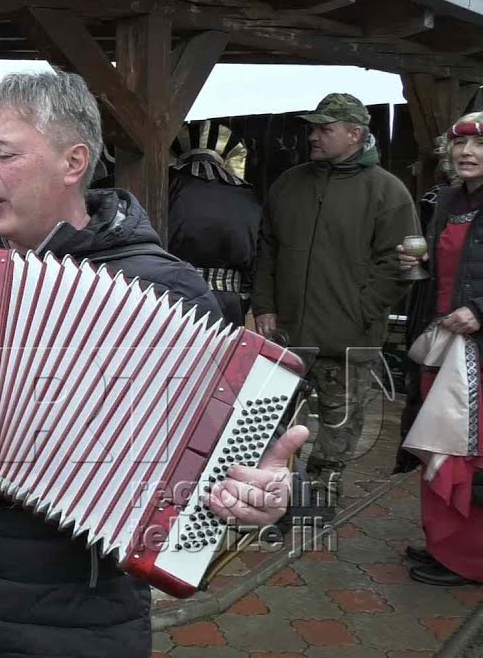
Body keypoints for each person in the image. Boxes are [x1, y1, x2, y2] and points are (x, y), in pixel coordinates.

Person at [0, 70, 308, 658]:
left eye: (4, 153)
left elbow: (233, 458)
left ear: (73, 162)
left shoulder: (164, 287)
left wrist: (262, 494)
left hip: (78, 624)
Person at [252, 93, 417, 497]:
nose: (313, 136)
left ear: (355, 134)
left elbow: (408, 263)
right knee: (264, 422)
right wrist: (265, 305)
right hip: (287, 336)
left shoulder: (389, 193)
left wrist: (360, 311)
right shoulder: (289, 184)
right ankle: (263, 496)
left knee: (338, 429)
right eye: (313, 128)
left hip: (347, 342)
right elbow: (266, 248)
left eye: (325, 129)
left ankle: (318, 503)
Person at [397, 111, 483, 587]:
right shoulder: (449, 200)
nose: (466, 153)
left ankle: (472, 560)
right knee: (437, 442)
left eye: (478, 145)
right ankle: (444, 544)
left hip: (478, 352)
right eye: (459, 145)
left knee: (469, 453)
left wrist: (481, 311)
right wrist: (424, 259)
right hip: (444, 341)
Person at [167, 120, 261, 326]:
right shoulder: (247, 194)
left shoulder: (166, 184)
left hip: (173, 295)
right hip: (229, 302)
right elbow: (257, 255)